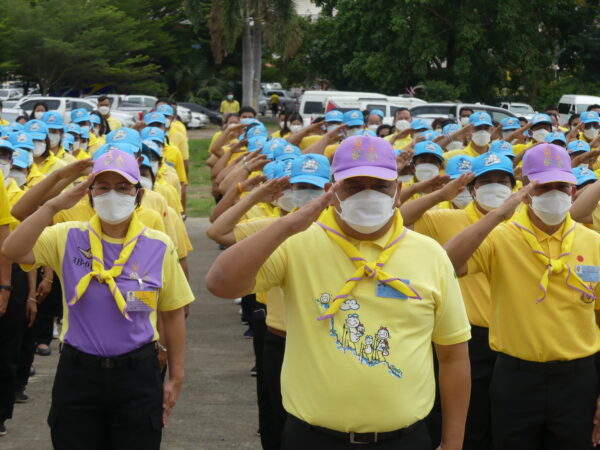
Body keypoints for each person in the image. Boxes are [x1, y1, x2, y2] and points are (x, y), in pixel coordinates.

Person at [206, 135, 471, 449]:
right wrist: (290, 225)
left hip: (404, 438)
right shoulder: (298, 244)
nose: (367, 195)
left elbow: (453, 356)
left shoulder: (430, 254)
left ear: (398, 191)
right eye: (354, 186)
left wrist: (452, 444)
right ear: (333, 190)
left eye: (379, 185)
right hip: (313, 438)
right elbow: (220, 283)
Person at [2, 149, 194, 448]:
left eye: (122, 187)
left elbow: (172, 311)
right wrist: (54, 205)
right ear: (89, 193)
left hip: (137, 373)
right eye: (103, 187)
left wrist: (176, 376)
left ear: (137, 194)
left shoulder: (158, 244)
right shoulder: (67, 236)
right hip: (79, 373)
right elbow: (12, 251)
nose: (113, 195)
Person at [444, 143, 600, 450]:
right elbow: (446, 262)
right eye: (543, 187)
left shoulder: (592, 242)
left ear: (573, 190)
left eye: (561, 187)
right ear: (525, 190)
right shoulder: (501, 237)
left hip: (577, 377)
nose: (554, 195)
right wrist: (499, 214)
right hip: (516, 378)